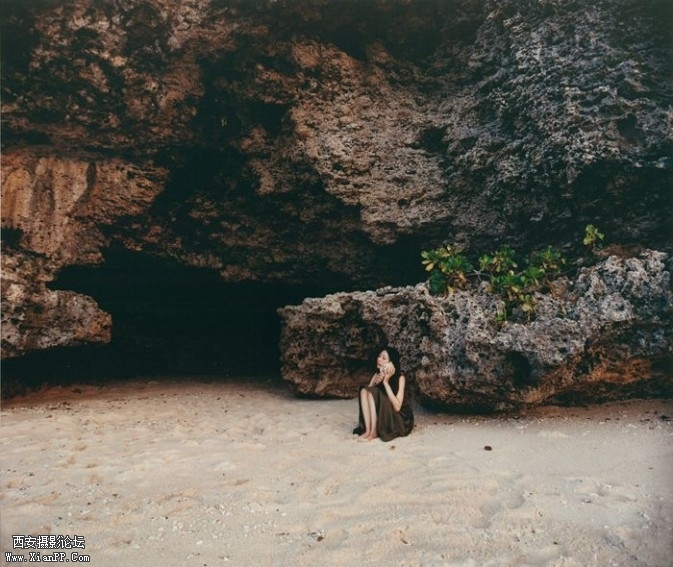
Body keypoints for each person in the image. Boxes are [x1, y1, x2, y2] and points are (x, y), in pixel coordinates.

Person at [353, 346, 414, 442]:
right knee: (365, 391)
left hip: (399, 418)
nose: (379, 359)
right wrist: (375, 383)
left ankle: (373, 433)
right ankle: (368, 431)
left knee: (372, 392)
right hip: (384, 413)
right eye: (379, 356)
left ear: (391, 363)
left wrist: (385, 382)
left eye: (384, 358)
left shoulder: (400, 377)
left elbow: (397, 407)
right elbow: (367, 395)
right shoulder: (377, 374)